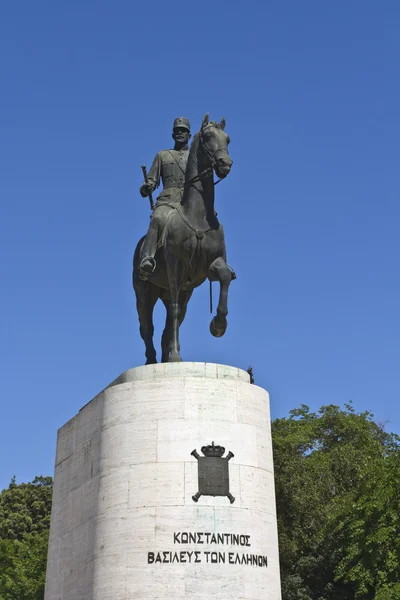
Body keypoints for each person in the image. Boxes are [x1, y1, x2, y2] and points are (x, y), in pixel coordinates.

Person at [139, 117, 191, 279]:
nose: (180, 133)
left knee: (212, 221)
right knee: (157, 218)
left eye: (183, 130)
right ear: (172, 134)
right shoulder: (163, 156)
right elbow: (151, 181)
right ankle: (147, 257)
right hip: (168, 201)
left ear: (189, 135)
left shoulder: (196, 157)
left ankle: (218, 260)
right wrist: (147, 187)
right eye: (177, 130)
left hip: (190, 201)